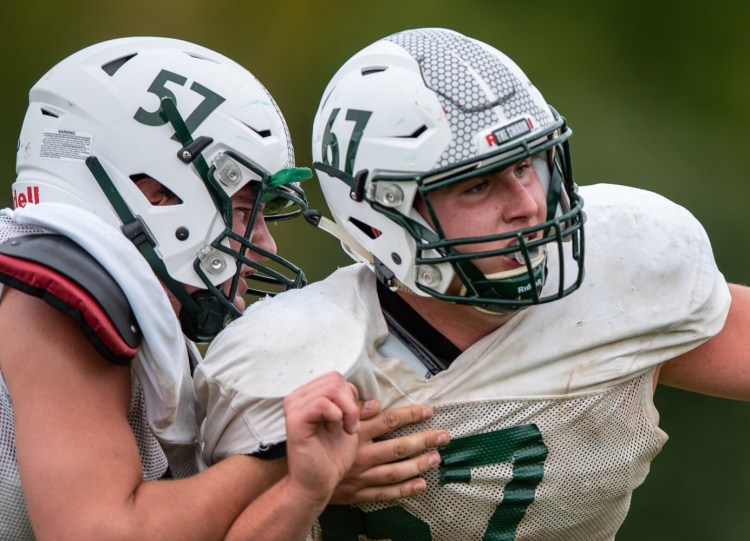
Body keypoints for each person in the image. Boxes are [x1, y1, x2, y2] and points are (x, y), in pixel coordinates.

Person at [194, 27, 750, 540]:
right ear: (382, 216)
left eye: (526, 165)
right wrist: (300, 489)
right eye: (477, 187)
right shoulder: (293, 359)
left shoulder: (626, 266)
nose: (528, 206)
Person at [0, 36, 445, 541]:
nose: (261, 242)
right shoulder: (56, 297)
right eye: (240, 208)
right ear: (154, 194)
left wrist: (303, 485)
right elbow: (101, 532)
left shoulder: (141, 318)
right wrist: (280, 461)